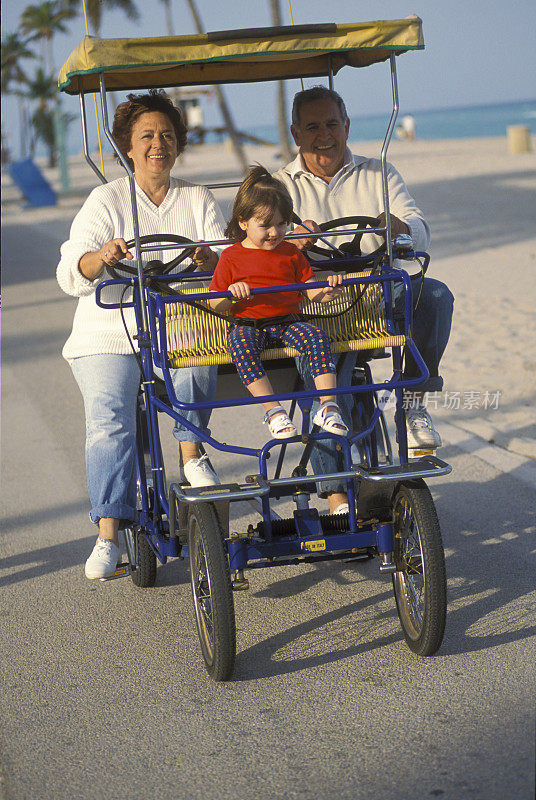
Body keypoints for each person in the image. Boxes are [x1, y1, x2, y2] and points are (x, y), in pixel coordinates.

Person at [57, 90, 226, 579]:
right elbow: (72, 270)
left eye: (168, 135)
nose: (159, 144)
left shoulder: (196, 198)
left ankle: (192, 455)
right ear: (127, 147)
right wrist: (101, 258)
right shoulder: (105, 199)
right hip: (109, 330)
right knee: (110, 418)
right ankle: (108, 532)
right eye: (147, 136)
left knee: (200, 357)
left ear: (179, 144)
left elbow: (223, 258)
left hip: (176, 323)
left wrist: (210, 260)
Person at [274, 86, 454, 514]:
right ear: (297, 133)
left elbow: (419, 229)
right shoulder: (278, 185)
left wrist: (398, 226)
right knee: (322, 373)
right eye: (313, 126)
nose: (324, 135)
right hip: (310, 302)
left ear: (346, 126)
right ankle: (335, 493)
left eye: (332, 124)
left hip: (373, 293)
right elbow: (246, 243)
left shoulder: (379, 173)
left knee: (432, 295)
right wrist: (287, 241)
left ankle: (413, 404)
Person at [209, 166, 347, 438]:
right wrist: (231, 293)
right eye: (265, 225)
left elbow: (310, 292)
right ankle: (273, 410)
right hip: (249, 323)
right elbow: (215, 303)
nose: (274, 232)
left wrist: (328, 291)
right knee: (240, 345)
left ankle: (329, 405)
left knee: (317, 337)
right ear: (243, 222)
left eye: (281, 224)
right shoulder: (231, 257)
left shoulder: (291, 254)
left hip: (288, 322)